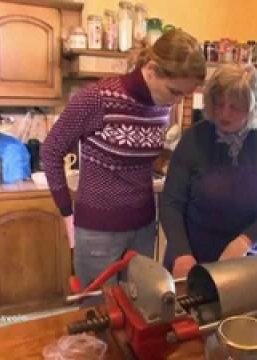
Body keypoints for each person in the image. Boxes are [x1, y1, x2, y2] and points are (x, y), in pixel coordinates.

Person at [41, 29, 206, 290]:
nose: (177, 100)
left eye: (183, 94)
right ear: (152, 69)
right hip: (98, 231)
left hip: (143, 227)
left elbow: (141, 156)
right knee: (100, 312)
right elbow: (51, 151)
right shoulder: (97, 99)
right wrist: (67, 214)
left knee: (140, 307)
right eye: (174, 91)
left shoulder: (163, 104)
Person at [160, 64, 257, 278]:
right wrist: (182, 253)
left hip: (245, 255)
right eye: (219, 104)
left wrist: (244, 241)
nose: (224, 114)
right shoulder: (194, 138)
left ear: (252, 107)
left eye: (235, 107)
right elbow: (171, 203)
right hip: (192, 255)